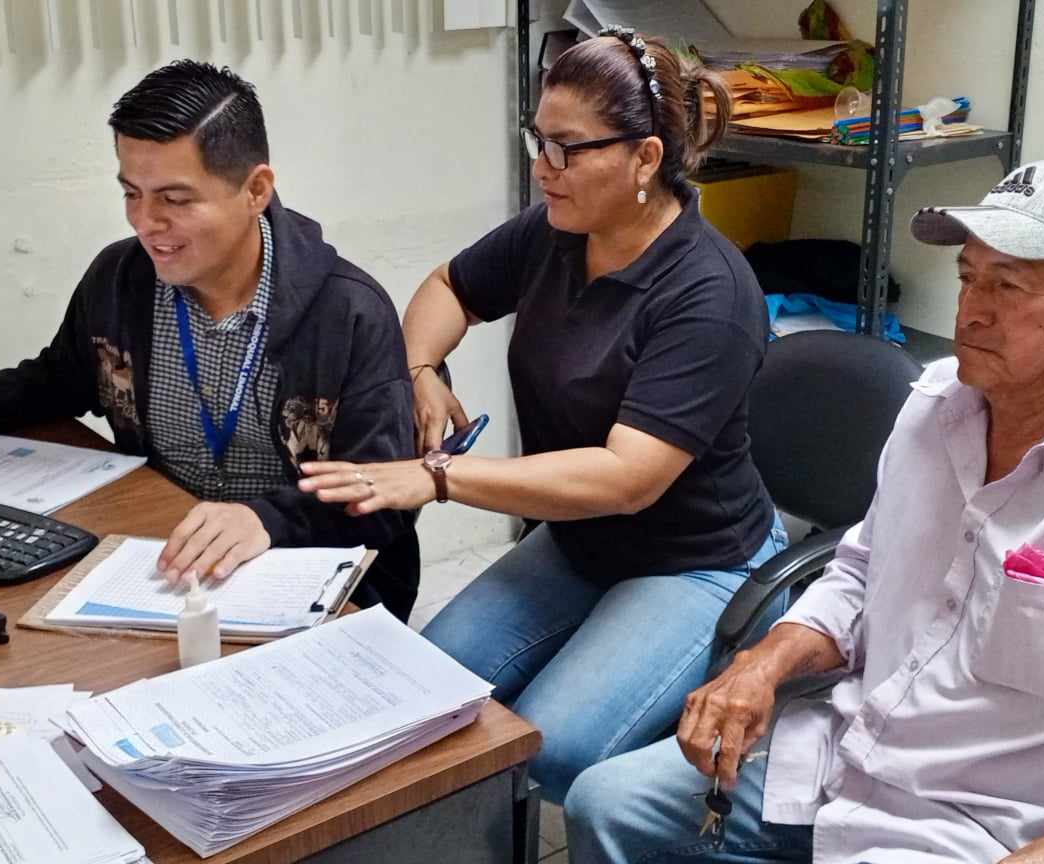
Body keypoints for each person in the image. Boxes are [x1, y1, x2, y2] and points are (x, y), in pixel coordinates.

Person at [560, 160, 1044, 864]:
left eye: (1009, 287)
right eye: (968, 277)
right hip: (847, 758)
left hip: (999, 829)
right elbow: (861, 569)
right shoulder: (936, 404)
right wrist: (769, 660)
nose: (971, 313)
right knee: (609, 804)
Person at [294, 29, 787, 804]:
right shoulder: (556, 232)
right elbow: (448, 289)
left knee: (552, 749)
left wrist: (439, 477)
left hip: (696, 560)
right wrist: (421, 370)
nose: (541, 168)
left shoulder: (710, 293)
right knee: (430, 689)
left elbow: (627, 479)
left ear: (645, 158)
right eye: (538, 140)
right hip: (580, 541)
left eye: (567, 149)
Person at [0, 61, 422, 617]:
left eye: (175, 200)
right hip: (167, 562)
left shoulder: (347, 312)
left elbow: (386, 497)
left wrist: (267, 520)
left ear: (255, 190)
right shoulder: (123, 279)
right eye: (132, 193)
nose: (146, 223)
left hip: (310, 578)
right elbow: (57, 380)